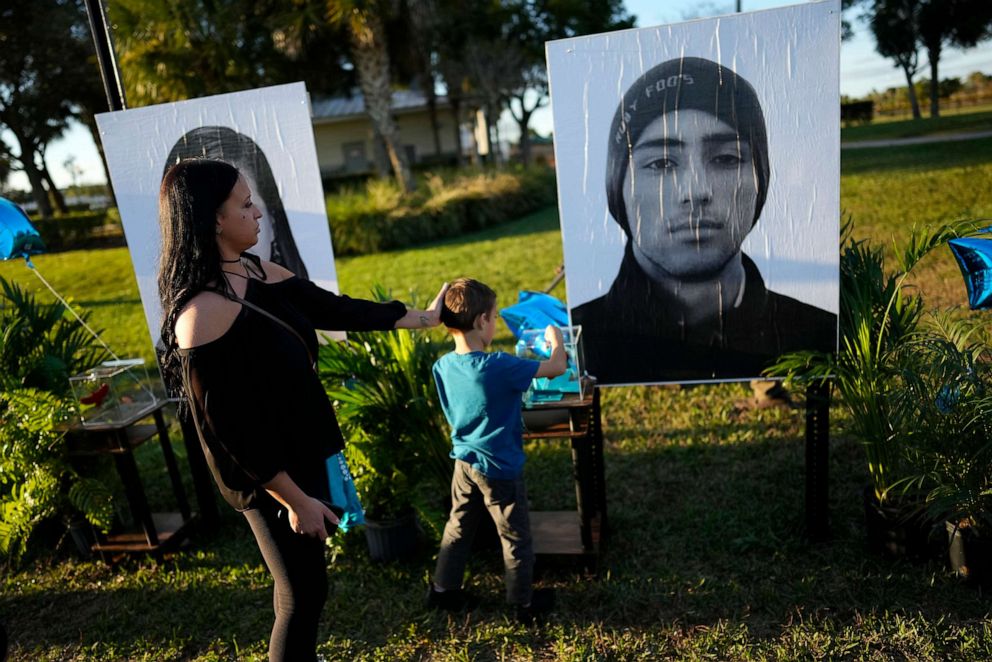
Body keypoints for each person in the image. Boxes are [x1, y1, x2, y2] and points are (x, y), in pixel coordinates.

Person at [157, 158, 448, 662]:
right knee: (302, 595)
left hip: (299, 451)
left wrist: (420, 318)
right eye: (245, 205)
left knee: (302, 587)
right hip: (268, 474)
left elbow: (331, 308)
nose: (259, 213)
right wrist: (294, 500)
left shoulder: (252, 270)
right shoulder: (201, 314)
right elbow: (229, 435)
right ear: (214, 219)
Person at [571, 56, 837, 385]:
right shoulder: (581, 347)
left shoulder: (819, 337)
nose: (696, 191)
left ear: (760, 180)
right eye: (660, 164)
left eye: (726, 158)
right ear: (618, 186)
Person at [426, 278, 567, 624]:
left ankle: (442, 591)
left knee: (458, 527)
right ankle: (523, 604)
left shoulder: (442, 366)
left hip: (463, 461)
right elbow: (557, 368)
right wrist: (557, 339)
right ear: (480, 322)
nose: (494, 324)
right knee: (515, 535)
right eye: (492, 317)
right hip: (500, 467)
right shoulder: (499, 365)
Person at [164, 126, 310, 278]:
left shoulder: (296, 290)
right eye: (209, 214)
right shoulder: (199, 301)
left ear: (272, 220)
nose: (224, 227)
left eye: (247, 204)